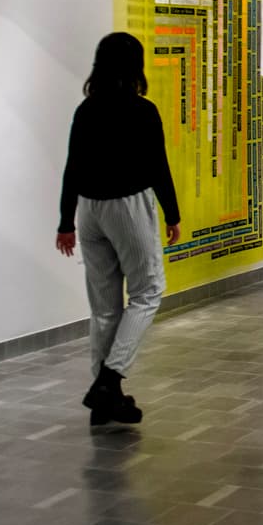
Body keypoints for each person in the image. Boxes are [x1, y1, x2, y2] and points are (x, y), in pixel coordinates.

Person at [55, 32, 181, 426]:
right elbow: (158, 167)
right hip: (128, 206)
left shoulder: (86, 109)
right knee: (148, 292)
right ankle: (109, 380)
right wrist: (172, 214)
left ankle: (106, 399)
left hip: (89, 212)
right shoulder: (143, 111)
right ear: (135, 66)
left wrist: (65, 222)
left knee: (104, 308)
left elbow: (72, 167)